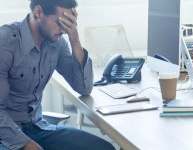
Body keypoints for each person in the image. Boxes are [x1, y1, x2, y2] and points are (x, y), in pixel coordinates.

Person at [0, 0, 116, 150]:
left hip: (37, 127)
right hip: (5, 134)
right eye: (60, 22)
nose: (64, 30)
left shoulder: (57, 42)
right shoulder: (5, 43)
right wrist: (26, 145)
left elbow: (84, 88)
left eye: (69, 23)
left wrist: (74, 38)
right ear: (38, 12)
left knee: (103, 148)